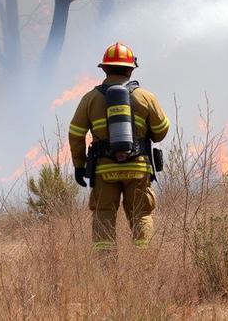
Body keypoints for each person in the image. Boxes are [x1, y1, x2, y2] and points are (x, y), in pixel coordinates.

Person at [68, 42, 170, 252]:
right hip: (138, 167)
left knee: (103, 214)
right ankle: (144, 262)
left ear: (104, 69)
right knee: (141, 214)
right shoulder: (145, 96)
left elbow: (76, 133)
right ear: (131, 69)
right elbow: (160, 131)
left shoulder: (90, 98)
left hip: (104, 170)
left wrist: (79, 165)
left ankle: (106, 267)